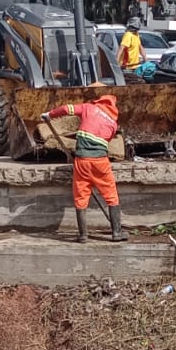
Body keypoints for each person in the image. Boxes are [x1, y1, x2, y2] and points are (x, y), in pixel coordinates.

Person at [40, 95, 127, 243]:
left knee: (81, 196)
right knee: (111, 196)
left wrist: (49, 114)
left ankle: (83, 235)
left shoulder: (89, 108)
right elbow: (104, 140)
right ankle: (117, 233)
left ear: (99, 101)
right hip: (100, 162)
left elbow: (67, 109)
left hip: (82, 160)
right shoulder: (113, 124)